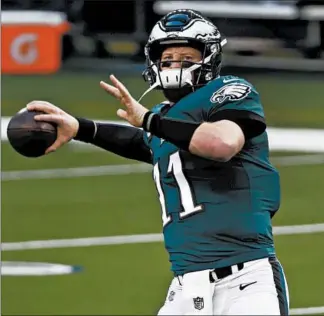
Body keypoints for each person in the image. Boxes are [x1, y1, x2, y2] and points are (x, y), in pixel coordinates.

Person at [26, 9, 289, 316]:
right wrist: (81, 128)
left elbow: (222, 143)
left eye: (186, 59)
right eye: (167, 60)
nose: (175, 66)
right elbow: (145, 143)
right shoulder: (164, 121)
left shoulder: (228, 92)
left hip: (246, 281)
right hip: (185, 287)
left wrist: (149, 120)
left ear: (209, 59)